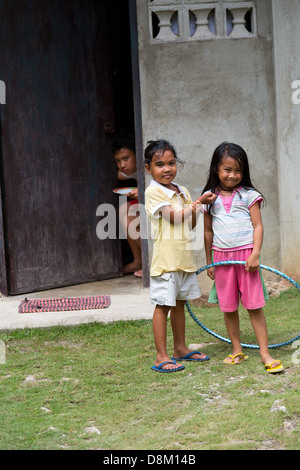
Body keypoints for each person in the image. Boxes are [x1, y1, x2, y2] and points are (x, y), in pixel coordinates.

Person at [202, 142, 284, 373]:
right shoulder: (209, 198)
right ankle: (237, 349)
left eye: (237, 170)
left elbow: (258, 226)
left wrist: (255, 254)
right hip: (222, 259)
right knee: (228, 308)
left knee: (254, 306)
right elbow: (207, 232)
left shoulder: (249, 195)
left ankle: (265, 353)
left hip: (246, 259)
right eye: (227, 169)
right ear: (216, 169)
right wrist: (210, 262)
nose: (232, 175)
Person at [144, 139, 217, 373]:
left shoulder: (182, 191)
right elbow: (174, 217)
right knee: (162, 305)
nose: (167, 169)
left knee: (179, 304)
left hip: (184, 259)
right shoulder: (153, 191)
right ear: (149, 169)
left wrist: (198, 207)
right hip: (166, 261)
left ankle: (180, 349)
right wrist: (197, 203)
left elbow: (191, 221)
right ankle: (160, 356)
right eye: (160, 164)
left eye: (171, 163)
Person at [112, 133, 142, 278]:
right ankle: (139, 261)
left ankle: (148, 261)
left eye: (126, 158)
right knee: (125, 210)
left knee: (126, 210)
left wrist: (141, 190)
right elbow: (118, 174)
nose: (122, 165)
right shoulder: (128, 171)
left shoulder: (149, 166)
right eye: (118, 161)